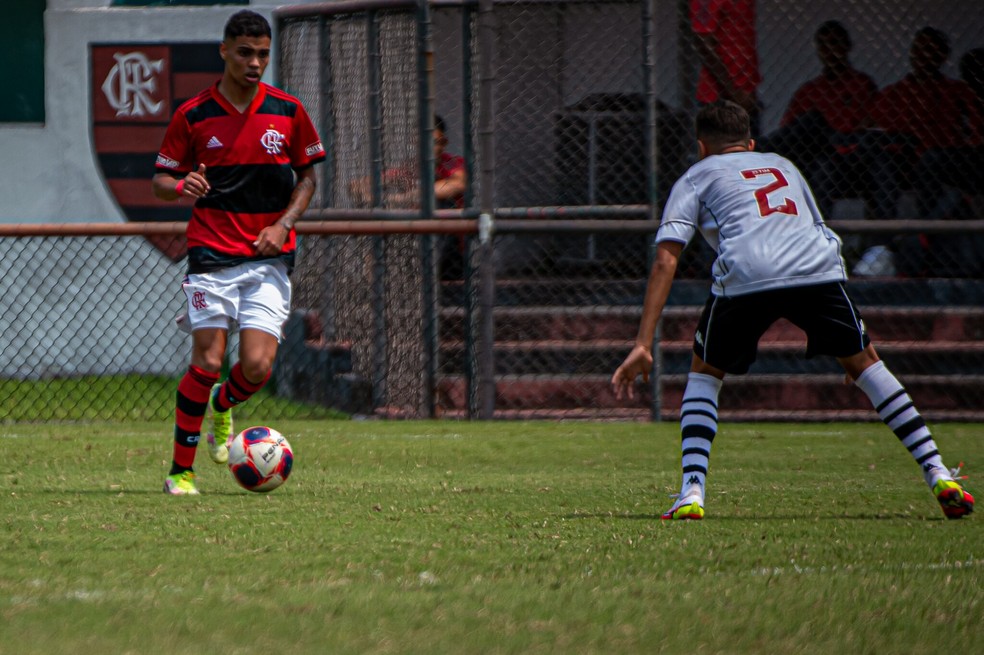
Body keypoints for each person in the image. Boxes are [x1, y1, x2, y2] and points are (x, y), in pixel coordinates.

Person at [611, 101, 974, 521]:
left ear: (700, 147)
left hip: (748, 272)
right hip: (815, 270)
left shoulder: (696, 175)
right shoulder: (783, 163)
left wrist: (642, 343)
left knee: (705, 374)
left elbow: (666, 260)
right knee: (869, 366)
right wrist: (854, 342)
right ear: (750, 143)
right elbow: (815, 231)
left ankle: (692, 491)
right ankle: (936, 470)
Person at [152, 9, 326, 495]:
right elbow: (160, 181)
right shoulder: (193, 115)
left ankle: (224, 406)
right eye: (245, 53)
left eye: (263, 54)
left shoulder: (288, 112)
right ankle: (181, 472)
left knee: (256, 367)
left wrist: (283, 223)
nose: (255, 63)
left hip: (268, 258)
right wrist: (179, 183)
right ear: (224, 51)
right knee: (206, 361)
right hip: (211, 254)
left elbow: (308, 177)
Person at [868, 27, 984, 276]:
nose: (924, 55)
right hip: (905, 162)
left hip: (946, 164)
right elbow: (876, 133)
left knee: (948, 188)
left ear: (943, 56)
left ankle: (920, 239)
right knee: (884, 164)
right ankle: (885, 247)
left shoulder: (958, 92)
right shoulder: (894, 93)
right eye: (919, 49)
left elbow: (974, 136)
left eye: (931, 49)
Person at [757, 21, 878, 219]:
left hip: (851, 154)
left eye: (834, 43)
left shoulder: (862, 85)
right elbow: (791, 132)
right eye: (824, 46)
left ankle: (761, 150)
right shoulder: (810, 91)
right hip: (818, 155)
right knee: (812, 134)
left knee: (813, 121)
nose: (830, 51)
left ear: (846, 46)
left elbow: (871, 125)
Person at [690, 0, 761, 136]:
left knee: (750, 153)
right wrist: (733, 90)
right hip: (719, 95)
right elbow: (702, 41)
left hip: (747, 91)